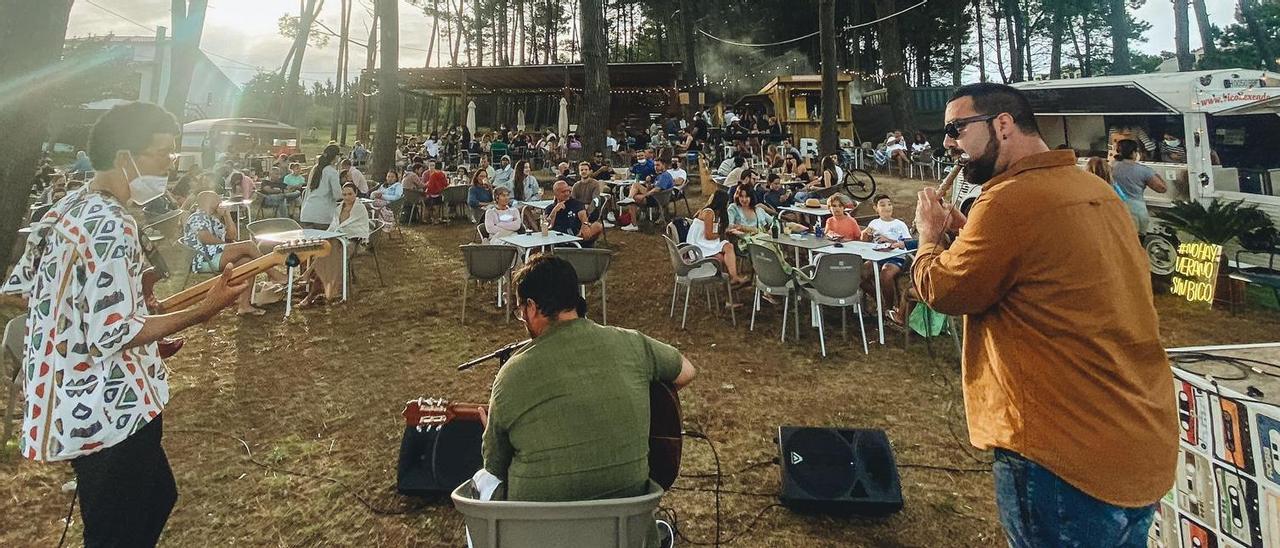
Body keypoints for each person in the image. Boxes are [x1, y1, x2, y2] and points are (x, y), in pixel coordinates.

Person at [912, 83, 1177, 547]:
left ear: (1002, 124)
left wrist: (929, 237)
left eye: (955, 129)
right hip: (1135, 437)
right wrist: (970, 233)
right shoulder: (1093, 189)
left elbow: (945, 289)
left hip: (1059, 452)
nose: (948, 144)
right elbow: (1040, 271)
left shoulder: (1009, 200)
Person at [3, 102, 247, 548]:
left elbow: (21, 290)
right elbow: (114, 333)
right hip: (106, 408)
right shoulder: (112, 225)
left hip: (72, 401)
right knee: (121, 527)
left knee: (154, 496)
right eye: (162, 154)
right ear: (123, 157)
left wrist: (142, 322)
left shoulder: (65, 208)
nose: (171, 166)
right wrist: (202, 311)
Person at [480, 254, 696, 516]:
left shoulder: (511, 374)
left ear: (532, 307)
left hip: (538, 532)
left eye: (520, 311)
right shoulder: (631, 343)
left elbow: (494, 465)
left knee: (483, 480)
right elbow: (686, 371)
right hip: (625, 527)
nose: (522, 318)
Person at [181, 190, 288, 315]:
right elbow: (205, 238)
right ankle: (273, 273)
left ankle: (244, 306)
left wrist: (227, 215)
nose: (220, 202)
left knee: (248, 263)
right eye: (217, 199)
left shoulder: (212, 219)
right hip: (203, 257)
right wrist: (228, 246)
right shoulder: (197, 217)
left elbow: (232, 235)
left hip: (215, 254)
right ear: (208, 201)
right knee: (249, 245)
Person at [859, 194, 911, 318]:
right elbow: (864, 242)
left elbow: (909, 244)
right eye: (882, 205)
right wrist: (865, 233)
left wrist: (888, 240)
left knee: (886, 274)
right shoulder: (874, 223)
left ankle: (889, 308)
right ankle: (878, 299)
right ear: (876, 208)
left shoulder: (899, 224)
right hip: (876, 256)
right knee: (860, 275)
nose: (887, 207)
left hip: (896, 256)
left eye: (889, 204)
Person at [687, 190, 749, 286]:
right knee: (725, 252)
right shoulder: (709, 213)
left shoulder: (715, 213)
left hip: (704, 242)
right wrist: (722, 233)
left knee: (726, 252)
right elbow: (709, 236)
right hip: (698, 244)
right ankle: (732, 278)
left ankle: (732, 280)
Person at [1111, 139, 1168, 235]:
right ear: (1134, 153)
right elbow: (1162, 188)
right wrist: (1153, 173)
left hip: (1116, 209)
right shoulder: (1143, 171)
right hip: (1136, 211)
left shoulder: (1112, 167)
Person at [622, 158, 676, 232]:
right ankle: (629, 198)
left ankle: (633, 224)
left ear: (664, 165)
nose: (655, 167)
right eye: (654, 165)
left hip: (658, 199)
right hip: (657, 196)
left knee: (633, 199)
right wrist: (648, 183)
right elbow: (653, 187)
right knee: (635, 185)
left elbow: (657, 189)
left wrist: (644, 196)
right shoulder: (660, 175)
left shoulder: (664, 176)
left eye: (658, 165)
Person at [545, 180, 602, 246]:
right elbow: (548, 226)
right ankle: (572, 245)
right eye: (563, 192)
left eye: (568, 191)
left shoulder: (575, 203)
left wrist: (585, 225)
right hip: (559, 237)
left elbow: (583, 215)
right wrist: (554, 211)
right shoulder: (550, 208)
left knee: (597, 226)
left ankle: (581, 244)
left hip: (576, 235)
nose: (567, 193)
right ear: (556, 194)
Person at [300, 144, 343, 228]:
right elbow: (337, 195)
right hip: (322, 215)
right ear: (336, 156)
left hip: (307, 212)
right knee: (325, 240)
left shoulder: (315, 169)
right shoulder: (332, 171)